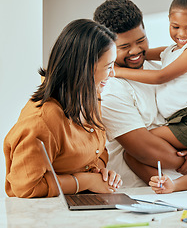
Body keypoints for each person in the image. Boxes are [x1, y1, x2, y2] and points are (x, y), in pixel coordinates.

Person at [93, 0, 187, 187]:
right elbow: (143, 148)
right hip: (140, 194)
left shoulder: (158, 67)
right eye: (124, 47)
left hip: (185, 191)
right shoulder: (110, 89)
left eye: (141, 40)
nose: (136, 51)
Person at [3, 19, 122, 198]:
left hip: (82, 202)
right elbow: (26, 187)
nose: (113, 73)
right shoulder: (42, 119)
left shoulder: (90, 98)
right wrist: (86, 181)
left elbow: (97, 152)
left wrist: (101, 174)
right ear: (85, 68)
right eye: (108, 66)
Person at [114, 0, 187, 152]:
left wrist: (117, 71)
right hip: (178, 120)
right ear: (169, 20)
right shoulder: (171, 50)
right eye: (175, 27)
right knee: (133, 156)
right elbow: (140, 53)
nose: (181, 34)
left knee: (144, 141)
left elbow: (160, 77)